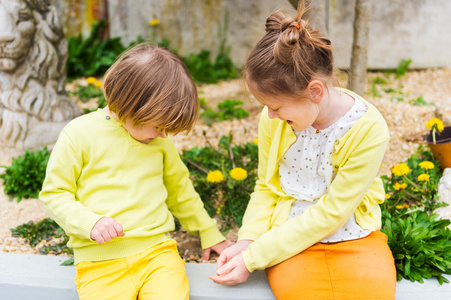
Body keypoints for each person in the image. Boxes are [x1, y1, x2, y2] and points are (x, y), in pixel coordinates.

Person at [209, 6, 396, 300]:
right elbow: (266, 186)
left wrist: (255, 255)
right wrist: (247, 242)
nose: (269, 116)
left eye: (277, 107)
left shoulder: (368, 129)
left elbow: (334, 212)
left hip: (353, 235)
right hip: (285, 232)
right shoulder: (275, 121)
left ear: (315, 92)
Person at [40, 43, 233, 300]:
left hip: (158, 254)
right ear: (130, 105)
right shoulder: (78, 134)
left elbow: (180, 190)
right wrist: (90, 222)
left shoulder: (159, 142)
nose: (164, 135)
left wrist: (208, 232)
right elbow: (55, 194)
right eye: (159, 126)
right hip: (100, 263)